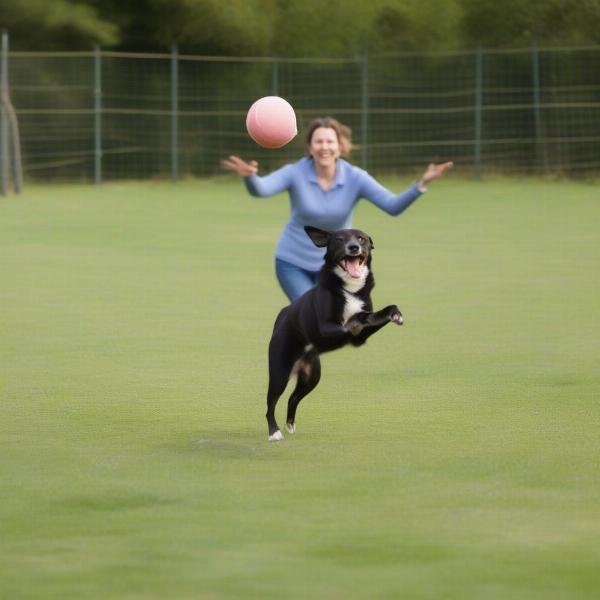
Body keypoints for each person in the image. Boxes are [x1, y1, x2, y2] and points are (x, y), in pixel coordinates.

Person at [222, 117, 452, 302]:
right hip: (292, 262)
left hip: (337, 266)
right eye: (318, 142)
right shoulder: (295, 172)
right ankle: (299, 357)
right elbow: (261, 190)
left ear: (340, 147)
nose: (324, 147)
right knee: (311, 311)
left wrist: (422, 184)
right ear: (310, 147)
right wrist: (250, 177)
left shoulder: (355, 177)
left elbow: (393, 206)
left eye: (330, 142)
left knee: (327, 319)